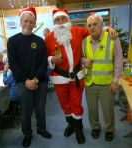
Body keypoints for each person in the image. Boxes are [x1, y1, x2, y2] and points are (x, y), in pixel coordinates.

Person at [45, 9, 118, 144]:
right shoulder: (48, 37)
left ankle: (78, 129)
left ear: (68, 20)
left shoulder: (78, 31)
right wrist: (51, 59)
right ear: (54, 22)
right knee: (65, 105)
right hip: (59, 78)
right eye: (57, 20)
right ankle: (71, 125)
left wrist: (108, 27)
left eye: (63, 19)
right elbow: (43, 57)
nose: (61, 22)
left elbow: (95, 29)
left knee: (76, 104)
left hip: (77, 77)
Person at [7, 7, 52, 147]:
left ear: (34, 23)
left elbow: (43, 62)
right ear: (21, 22)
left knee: (40, 108)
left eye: (31, 22)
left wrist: (36, 79)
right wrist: (27, 81)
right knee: (26, 111)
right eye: (26, 21)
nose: (28, 24)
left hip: (40, 82)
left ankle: (41, 129)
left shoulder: (39, 41)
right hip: (22, 82)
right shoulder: (13, 41)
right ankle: (27, 133)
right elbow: (13, 64)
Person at [82, 14, 123, 141]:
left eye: (95, 24)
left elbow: (118, 60)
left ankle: (109, 129)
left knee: (108, 110)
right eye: (89, 25)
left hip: (106, 83)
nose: (92, 27)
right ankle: (95, 127)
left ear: (102, 26)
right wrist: (84, 61)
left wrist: (116, 80)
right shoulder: (84, 41)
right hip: (90, 82)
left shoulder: (112, 38)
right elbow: (81, 58)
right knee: (92, 109)